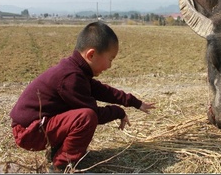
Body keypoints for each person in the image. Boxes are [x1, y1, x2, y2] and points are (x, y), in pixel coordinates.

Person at [10, 21, 156, 172]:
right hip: (30, 132)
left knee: (78, 114)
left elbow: (102, 91)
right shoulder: (71, 77)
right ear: (91, 54)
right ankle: (61, 166)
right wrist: (117, 112)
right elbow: (94, 115)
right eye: (110, 59)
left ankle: (57, 152)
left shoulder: (76, 70)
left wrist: (134, 102)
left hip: (36, 126)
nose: (110, 66)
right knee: (86, 117)